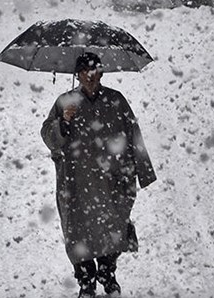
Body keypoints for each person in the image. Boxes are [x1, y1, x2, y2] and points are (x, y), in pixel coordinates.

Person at [41, 52, 157, 298]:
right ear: (78, 75)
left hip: (113, 179)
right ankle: (86, 281)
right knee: (77, 230)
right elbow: (48, 136)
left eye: (94, 72)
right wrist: (62, 123)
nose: (89, 77)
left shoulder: (116, 100)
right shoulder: (65, 102)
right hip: (75, 180)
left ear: (102, 74)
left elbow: (133, 133)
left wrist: (143, 170)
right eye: (84, 72)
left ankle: (107, 273)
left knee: (112, 225)